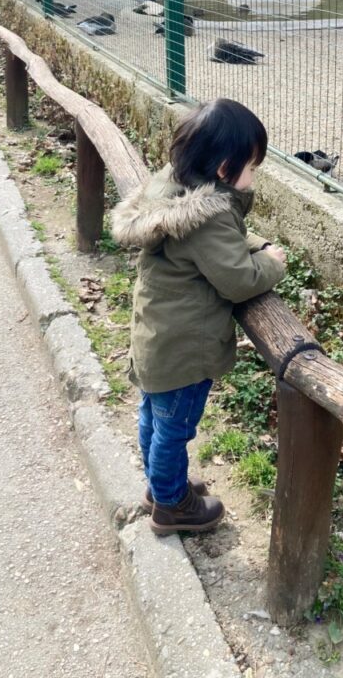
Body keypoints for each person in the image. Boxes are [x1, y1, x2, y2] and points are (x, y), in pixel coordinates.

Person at [111, 98, 287, 535]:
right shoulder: (206, 219)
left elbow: (225, 245)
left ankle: (160, 485)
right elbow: (239, 279)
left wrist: (250, 241)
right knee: (174, 429)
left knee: (153, 417)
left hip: (156, 337)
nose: (254, 177)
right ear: (225, 169)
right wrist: (273, 262)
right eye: (252, 167)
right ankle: (172, 506)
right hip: (185, 350)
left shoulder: (172, 194)